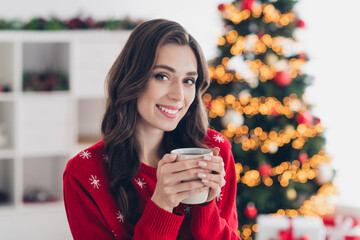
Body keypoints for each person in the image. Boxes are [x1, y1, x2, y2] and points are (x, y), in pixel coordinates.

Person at [63, 19, 240, 240]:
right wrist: (162, 204)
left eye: (188, 80)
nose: (178, 95)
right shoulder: (84, 173)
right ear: (132, 78)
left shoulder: (215, 150)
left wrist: (205, 208)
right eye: (162, 76)